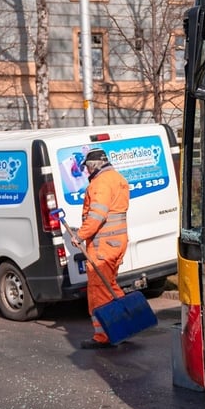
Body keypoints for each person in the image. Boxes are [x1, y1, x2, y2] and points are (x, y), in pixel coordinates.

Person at [72, 147, 131, 349]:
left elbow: (97, 215)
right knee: (110, 285)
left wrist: (80, 235)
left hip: (103, 245)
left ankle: (103, 336)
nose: (87, 172)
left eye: (87, 168)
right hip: (117, 242)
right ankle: (124, 325)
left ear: (94, 165)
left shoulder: (100, 183)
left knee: (99, 289)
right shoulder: (118, 179)